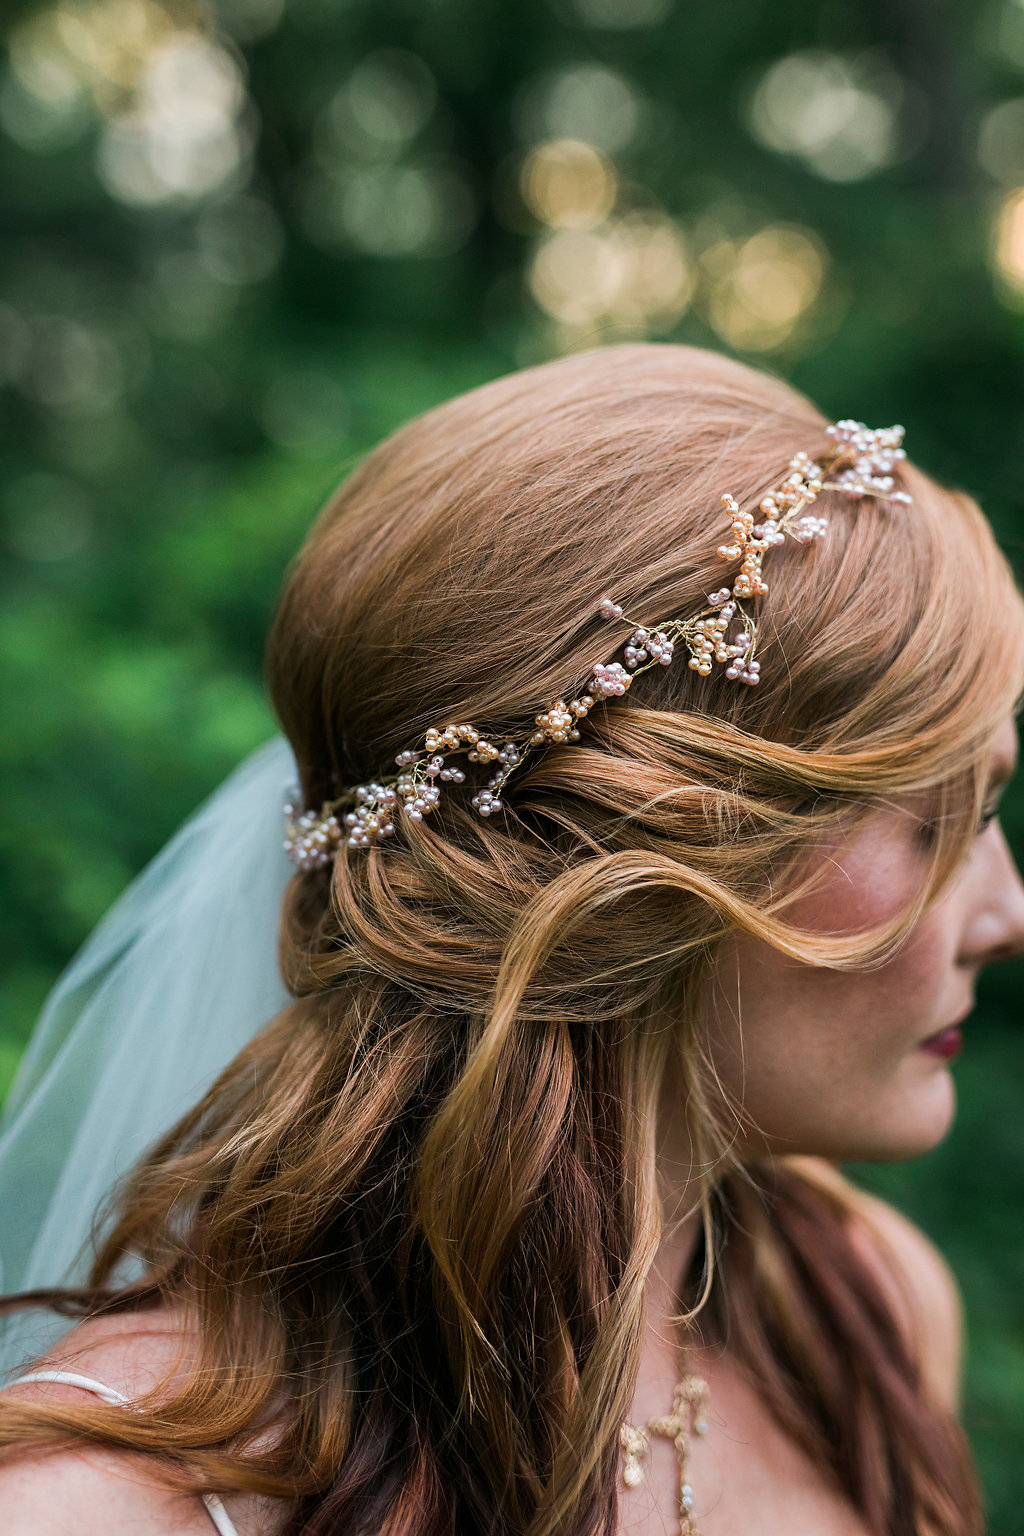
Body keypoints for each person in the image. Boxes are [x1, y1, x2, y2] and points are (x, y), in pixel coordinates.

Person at [0, 342, 1021, 1536]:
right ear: (644, 863)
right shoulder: (103, 1509)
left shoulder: (863, 1315)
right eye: (945, 821)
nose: (1006, 915)